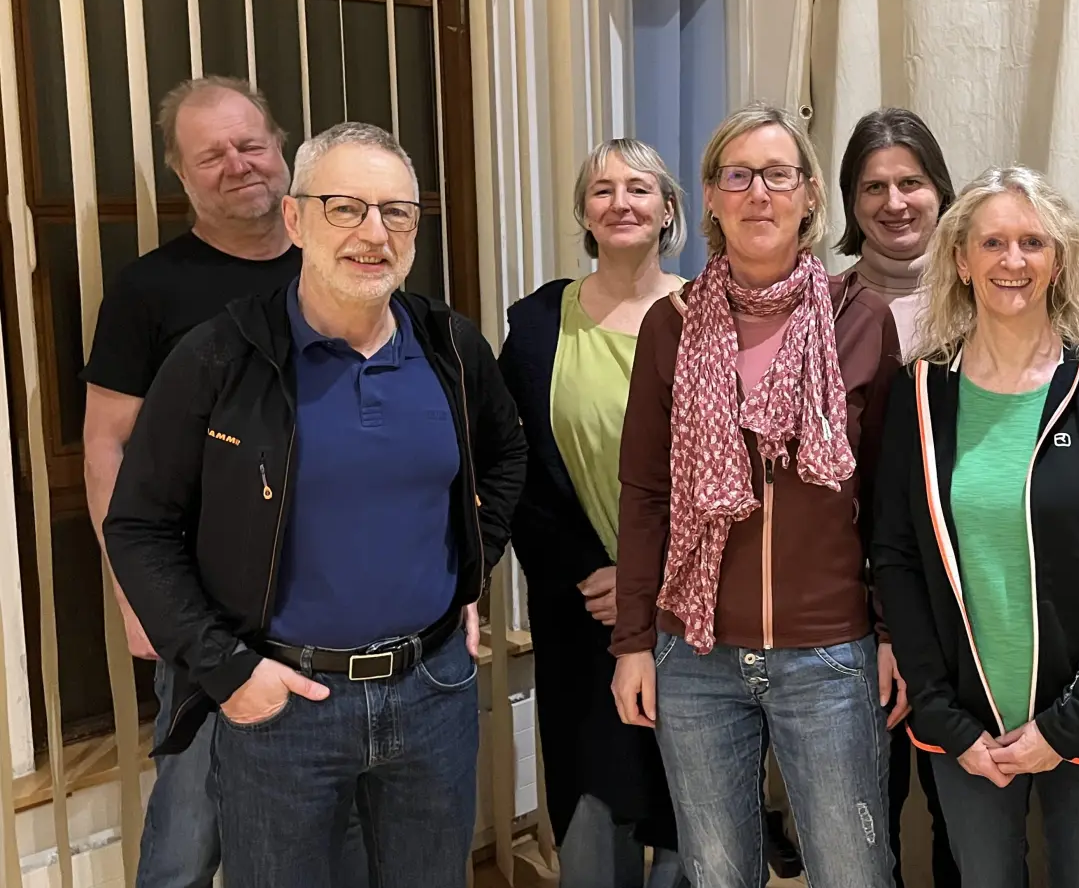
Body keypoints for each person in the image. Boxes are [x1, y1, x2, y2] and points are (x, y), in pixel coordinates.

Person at [101, 121, 527, 888]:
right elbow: (140, 525)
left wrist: (472, 569)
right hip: (283, 706)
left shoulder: (452, 349)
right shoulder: (217, 358)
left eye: (396, 212)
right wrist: (228, 670)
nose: (374, 232)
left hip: (432, 690)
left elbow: (506, 458)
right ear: (296, 220)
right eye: (345, 207)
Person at [608, 101, 900, 888]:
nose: (758, 194)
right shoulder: (670, 326)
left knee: (853, 871)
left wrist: (889, 634)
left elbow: (886, 501)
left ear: (810, 195)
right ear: (709, 195)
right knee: (717, 872)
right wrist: (634, 641)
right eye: (738, 176)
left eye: (778, 175)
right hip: (694, 655)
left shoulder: (860, 319)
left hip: (829, 654)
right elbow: (645, 495)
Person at [872, 165, 1079, 888]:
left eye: (1032, 244)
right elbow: (895, 560)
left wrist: (1065, 726)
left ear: (1059, 260)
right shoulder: (920, 393)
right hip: (968, 729)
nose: (1013, 262)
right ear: (961, 259)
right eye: (993, 243)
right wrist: (949, 721)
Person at [79, 75, 309, 888]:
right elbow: (106, 448)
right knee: (187, 835)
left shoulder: (338, 264)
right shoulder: (150, 288)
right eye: (211, 155)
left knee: (319, 837)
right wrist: (134, 596)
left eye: (250, 144)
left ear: (282, 149)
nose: (238, 165)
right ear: (182, 177)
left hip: (333, 607)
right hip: (200, 603)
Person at [499, 137, 689, 888]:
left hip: (691, 605)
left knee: (690, 800)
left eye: (639, 189)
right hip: (583, 606)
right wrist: (594, 573)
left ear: (668, 210)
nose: (621, 203)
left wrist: (652, 581)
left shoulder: (710, 315)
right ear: (584, 212)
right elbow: (519, 473)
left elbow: (736, 475)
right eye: (603, 190)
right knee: (594, 801)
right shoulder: (540, 324)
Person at [833, 106, 960, 888]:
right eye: (873, 186)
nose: (894, 202)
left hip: (964, 604)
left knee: (965, 816)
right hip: (851, 607)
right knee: (860, 814)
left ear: (940, 190)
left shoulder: (989, 299)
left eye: (911, 182)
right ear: (848, 202)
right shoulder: (824, 307)